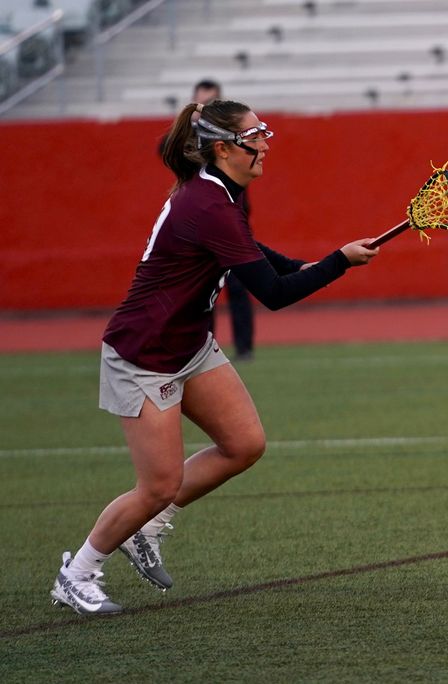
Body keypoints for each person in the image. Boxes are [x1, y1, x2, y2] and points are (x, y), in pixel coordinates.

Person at [50, 98, 379, 615]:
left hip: (191, 345)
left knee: (244, 444)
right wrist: (338, 262)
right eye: (257, 136)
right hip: (146, 355)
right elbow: (271, 292)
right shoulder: (206, 204)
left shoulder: (221, 195)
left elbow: (253, 251)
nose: (266, 144)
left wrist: (313, 263)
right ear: (224, 148)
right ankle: (78, 571)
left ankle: (146, 529)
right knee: (159, 484)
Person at [194, 80, 257, 361]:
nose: (262, 148)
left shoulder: (234, 142)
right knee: (201, 295)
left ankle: (244, 348)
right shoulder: (195, 145)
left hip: (233, 225)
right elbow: (166, 148)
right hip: (208, 230)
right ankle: (205, 348)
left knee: (240, 289)